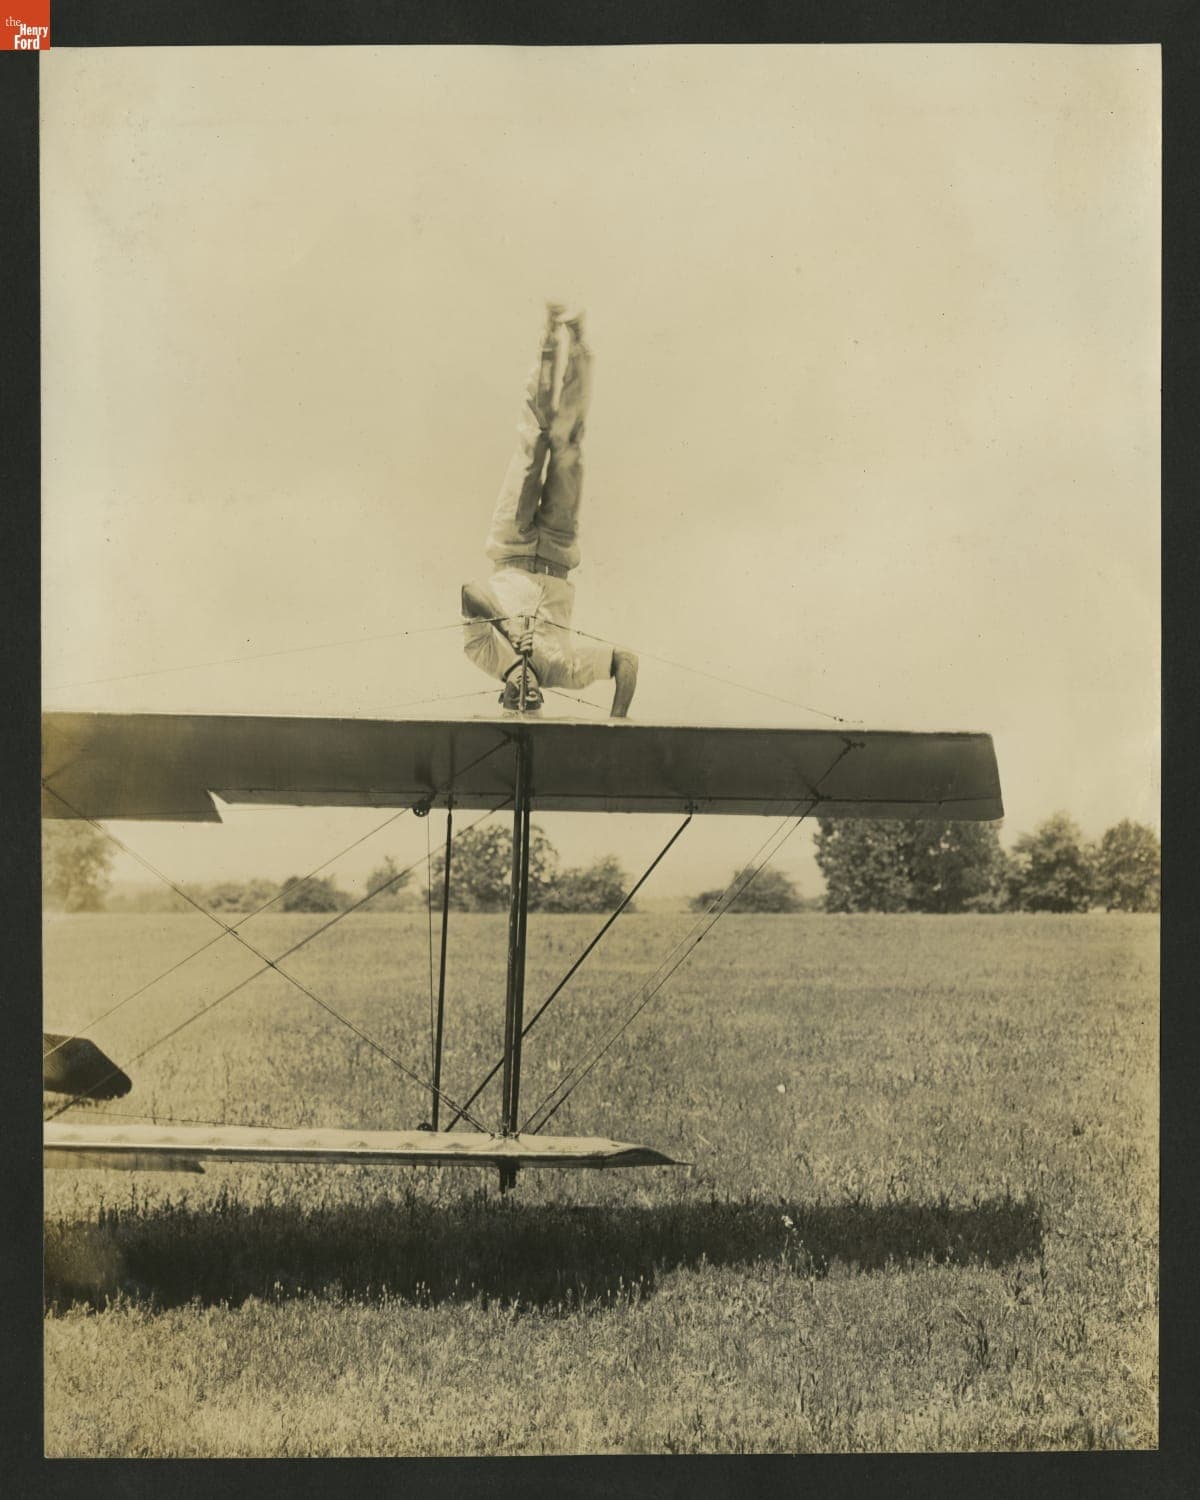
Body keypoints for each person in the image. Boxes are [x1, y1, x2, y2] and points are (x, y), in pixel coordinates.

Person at [461, 305, 639, 718]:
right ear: (544, 697)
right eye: (534, 700)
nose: (525, 692)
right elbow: (626, 662)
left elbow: (470, 591)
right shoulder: (562, 671)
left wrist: (506, 631)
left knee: (534, 442)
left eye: (514, 699)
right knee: (568, 449)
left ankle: (546, 340)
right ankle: (577, 344)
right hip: (558, 554)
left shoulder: (485, 656)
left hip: (512, 544)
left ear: (500, 696)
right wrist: (617, 725)